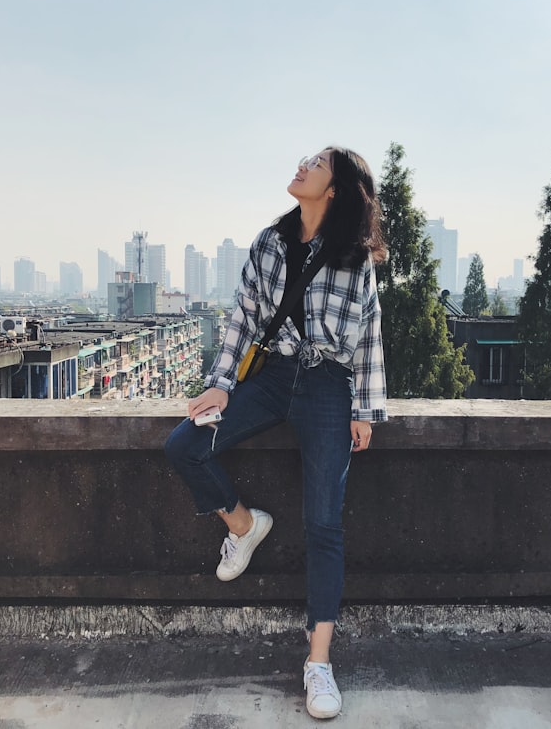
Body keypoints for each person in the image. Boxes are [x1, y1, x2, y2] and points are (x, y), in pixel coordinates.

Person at [164, 146, 388, 720]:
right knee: (185, 445)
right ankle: (243, 524)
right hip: (271, 377)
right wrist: (219, 382)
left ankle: (319, 664)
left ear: (334, 190)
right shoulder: (270, 244)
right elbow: (241, 318)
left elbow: (368, 336)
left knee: (323, 524)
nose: (302, 166)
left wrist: (364, 408)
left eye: (315, 164)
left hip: (329, 387)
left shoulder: (354, 259)